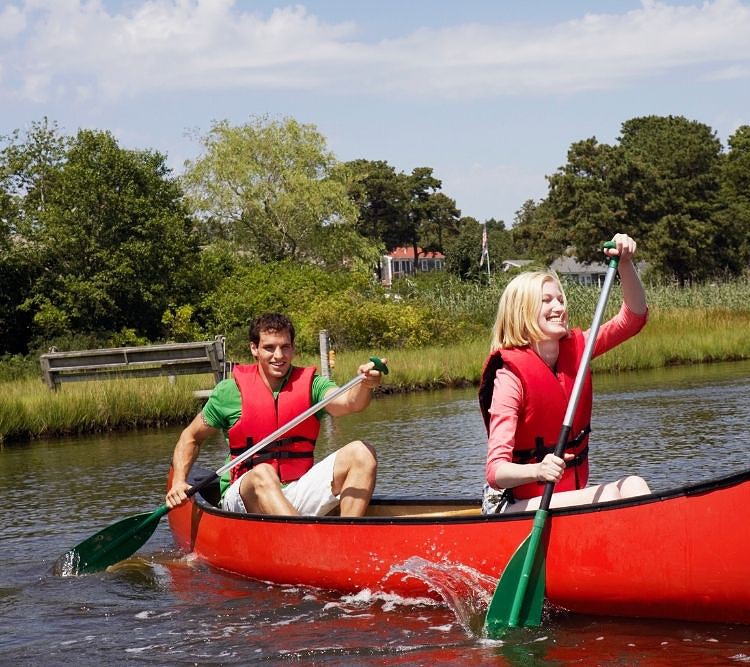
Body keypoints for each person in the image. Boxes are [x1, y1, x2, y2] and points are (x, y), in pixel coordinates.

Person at [478, 233, 652, 514]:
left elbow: (633, 318)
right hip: (511, 504)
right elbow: (496, 471)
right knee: (616, 496)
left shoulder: (579, 349)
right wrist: (538, 469)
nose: (560, 307)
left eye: (560, 299)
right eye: (547, 301)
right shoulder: (509, 377)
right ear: (522, 312)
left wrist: (625, 264)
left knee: (632, 485)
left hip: (561, 497)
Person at [166, 312, 386, 517]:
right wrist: (178, 482)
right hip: (243, 497)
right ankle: (304, 541)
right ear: (254, 348)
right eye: (269, 348)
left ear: (293, 348)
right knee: (263, 472)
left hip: (296, 489)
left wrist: (365, 385)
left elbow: (349, 402)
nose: (278, 356)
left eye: (285, 347)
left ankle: (346, 537)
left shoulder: (312, 385)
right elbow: (191, 437)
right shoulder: (228, 392)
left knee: (362, 452)